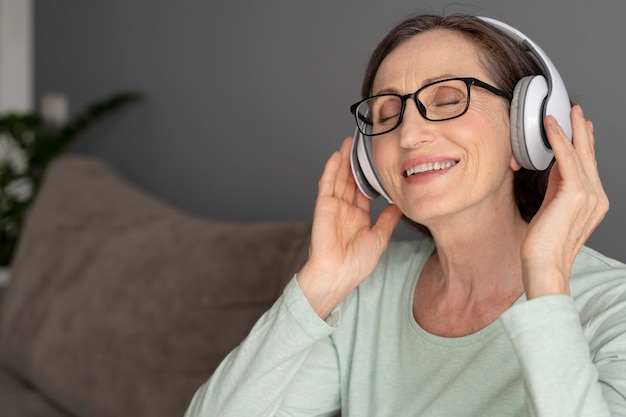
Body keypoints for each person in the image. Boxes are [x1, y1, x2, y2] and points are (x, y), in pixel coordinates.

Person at [185, 13, 626, 417]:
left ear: (525, 129)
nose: (410, 134)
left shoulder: (614, 306)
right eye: (388, 112)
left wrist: (547, 280)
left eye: (449, 98)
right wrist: (321, 283)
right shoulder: (368, 292)